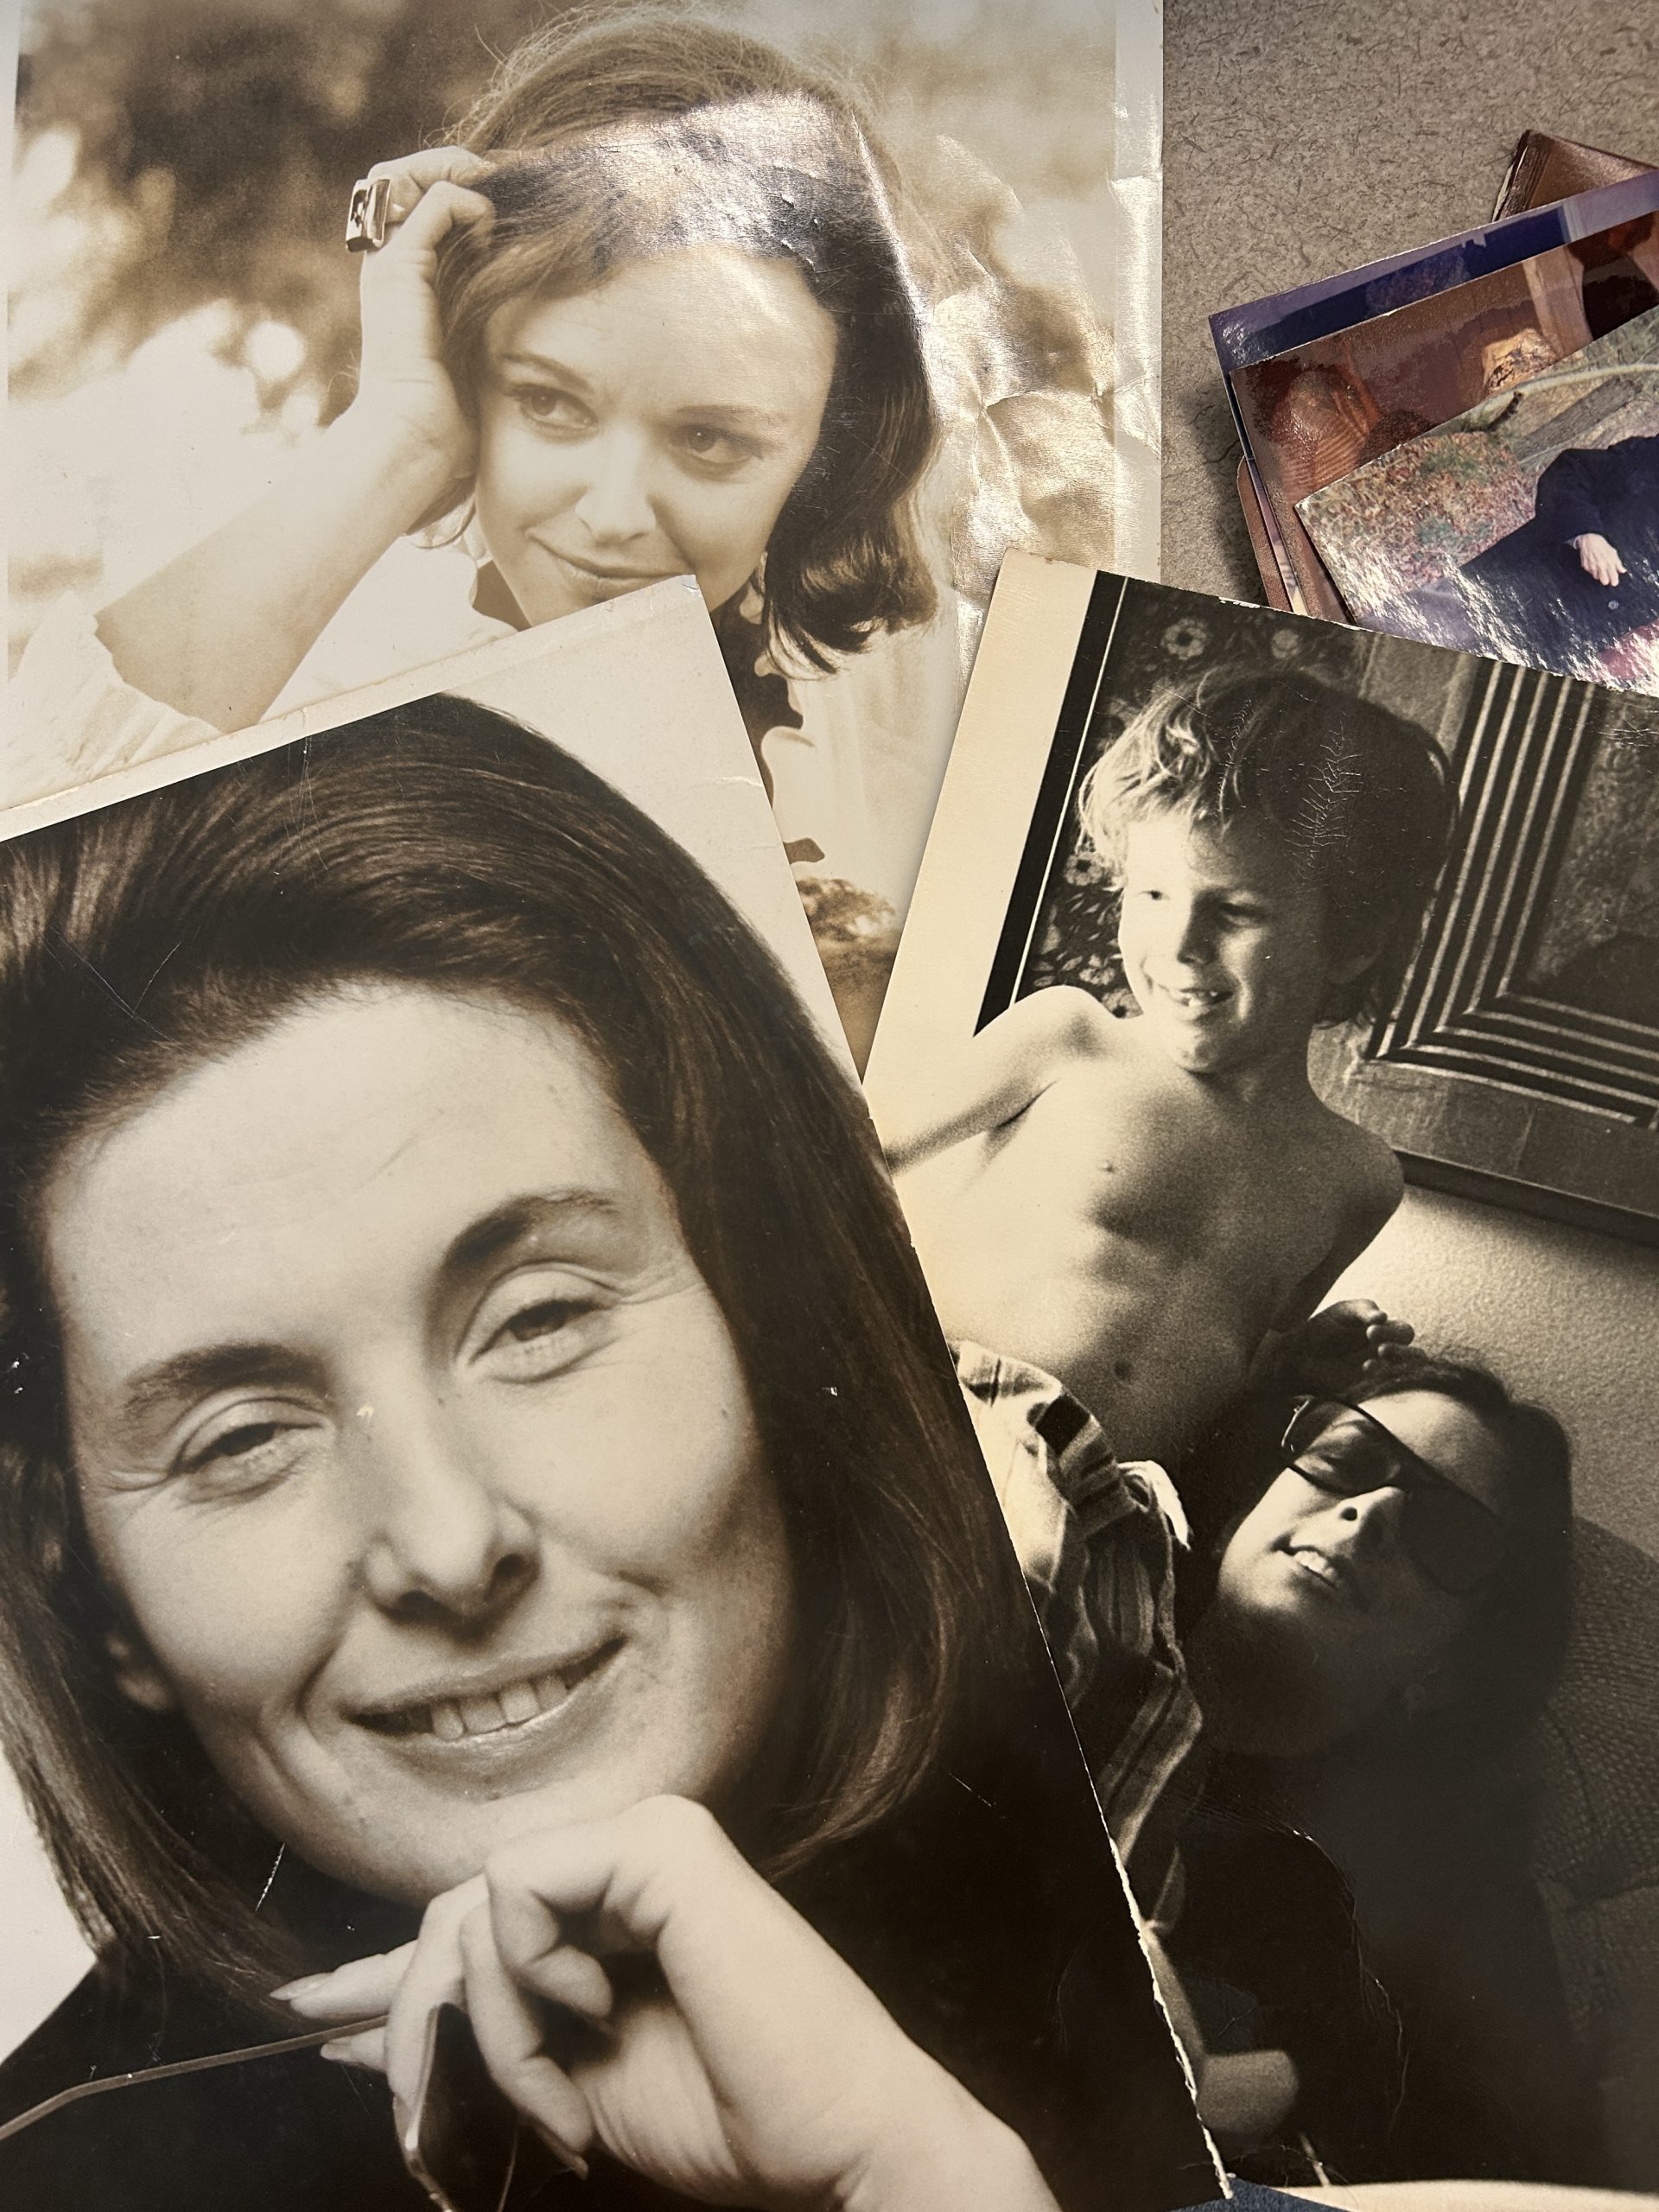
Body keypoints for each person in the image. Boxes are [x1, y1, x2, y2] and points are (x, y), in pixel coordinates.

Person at [0, 698, 1213, 2211]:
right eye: (242, 1436)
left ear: (772, 1333)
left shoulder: (1138, 1945)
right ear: (89, 1592)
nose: (446, 1546)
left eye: (539, 1322)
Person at [8, 7, 1118, 1059]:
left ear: (828, 445)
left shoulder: (956, 696)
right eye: (549, 402)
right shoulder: (315, 667)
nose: (613, 512)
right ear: (468, 363)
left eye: (713, 440)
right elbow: (35, 874)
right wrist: (395, 438)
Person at [881, 669, 1454, 1473]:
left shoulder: (1357, 1179)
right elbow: (851, 1155)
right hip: (942, 1431)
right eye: (1151, 893)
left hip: (1110, 1517)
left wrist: (1301, 1369)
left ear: (1354, 939)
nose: (1180, 942)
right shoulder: (1069, 1038)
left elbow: (1232, 1376)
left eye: (1236, 910)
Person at [1169, 1352, 1598, 2187]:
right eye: (1345, 1461)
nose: (1367, 1513)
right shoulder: (1062, 1616)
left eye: (1446, 1534)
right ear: (1241, 1511)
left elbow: (1539, 2165)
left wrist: (1259, 2082)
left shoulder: (1448, 1890)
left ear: (1456, 1660)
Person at [1459, 432, 1659, 683]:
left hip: (1553, 653)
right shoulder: (1652, 458)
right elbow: (1571, 471)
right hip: (1505, 589)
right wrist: (1586, 533)